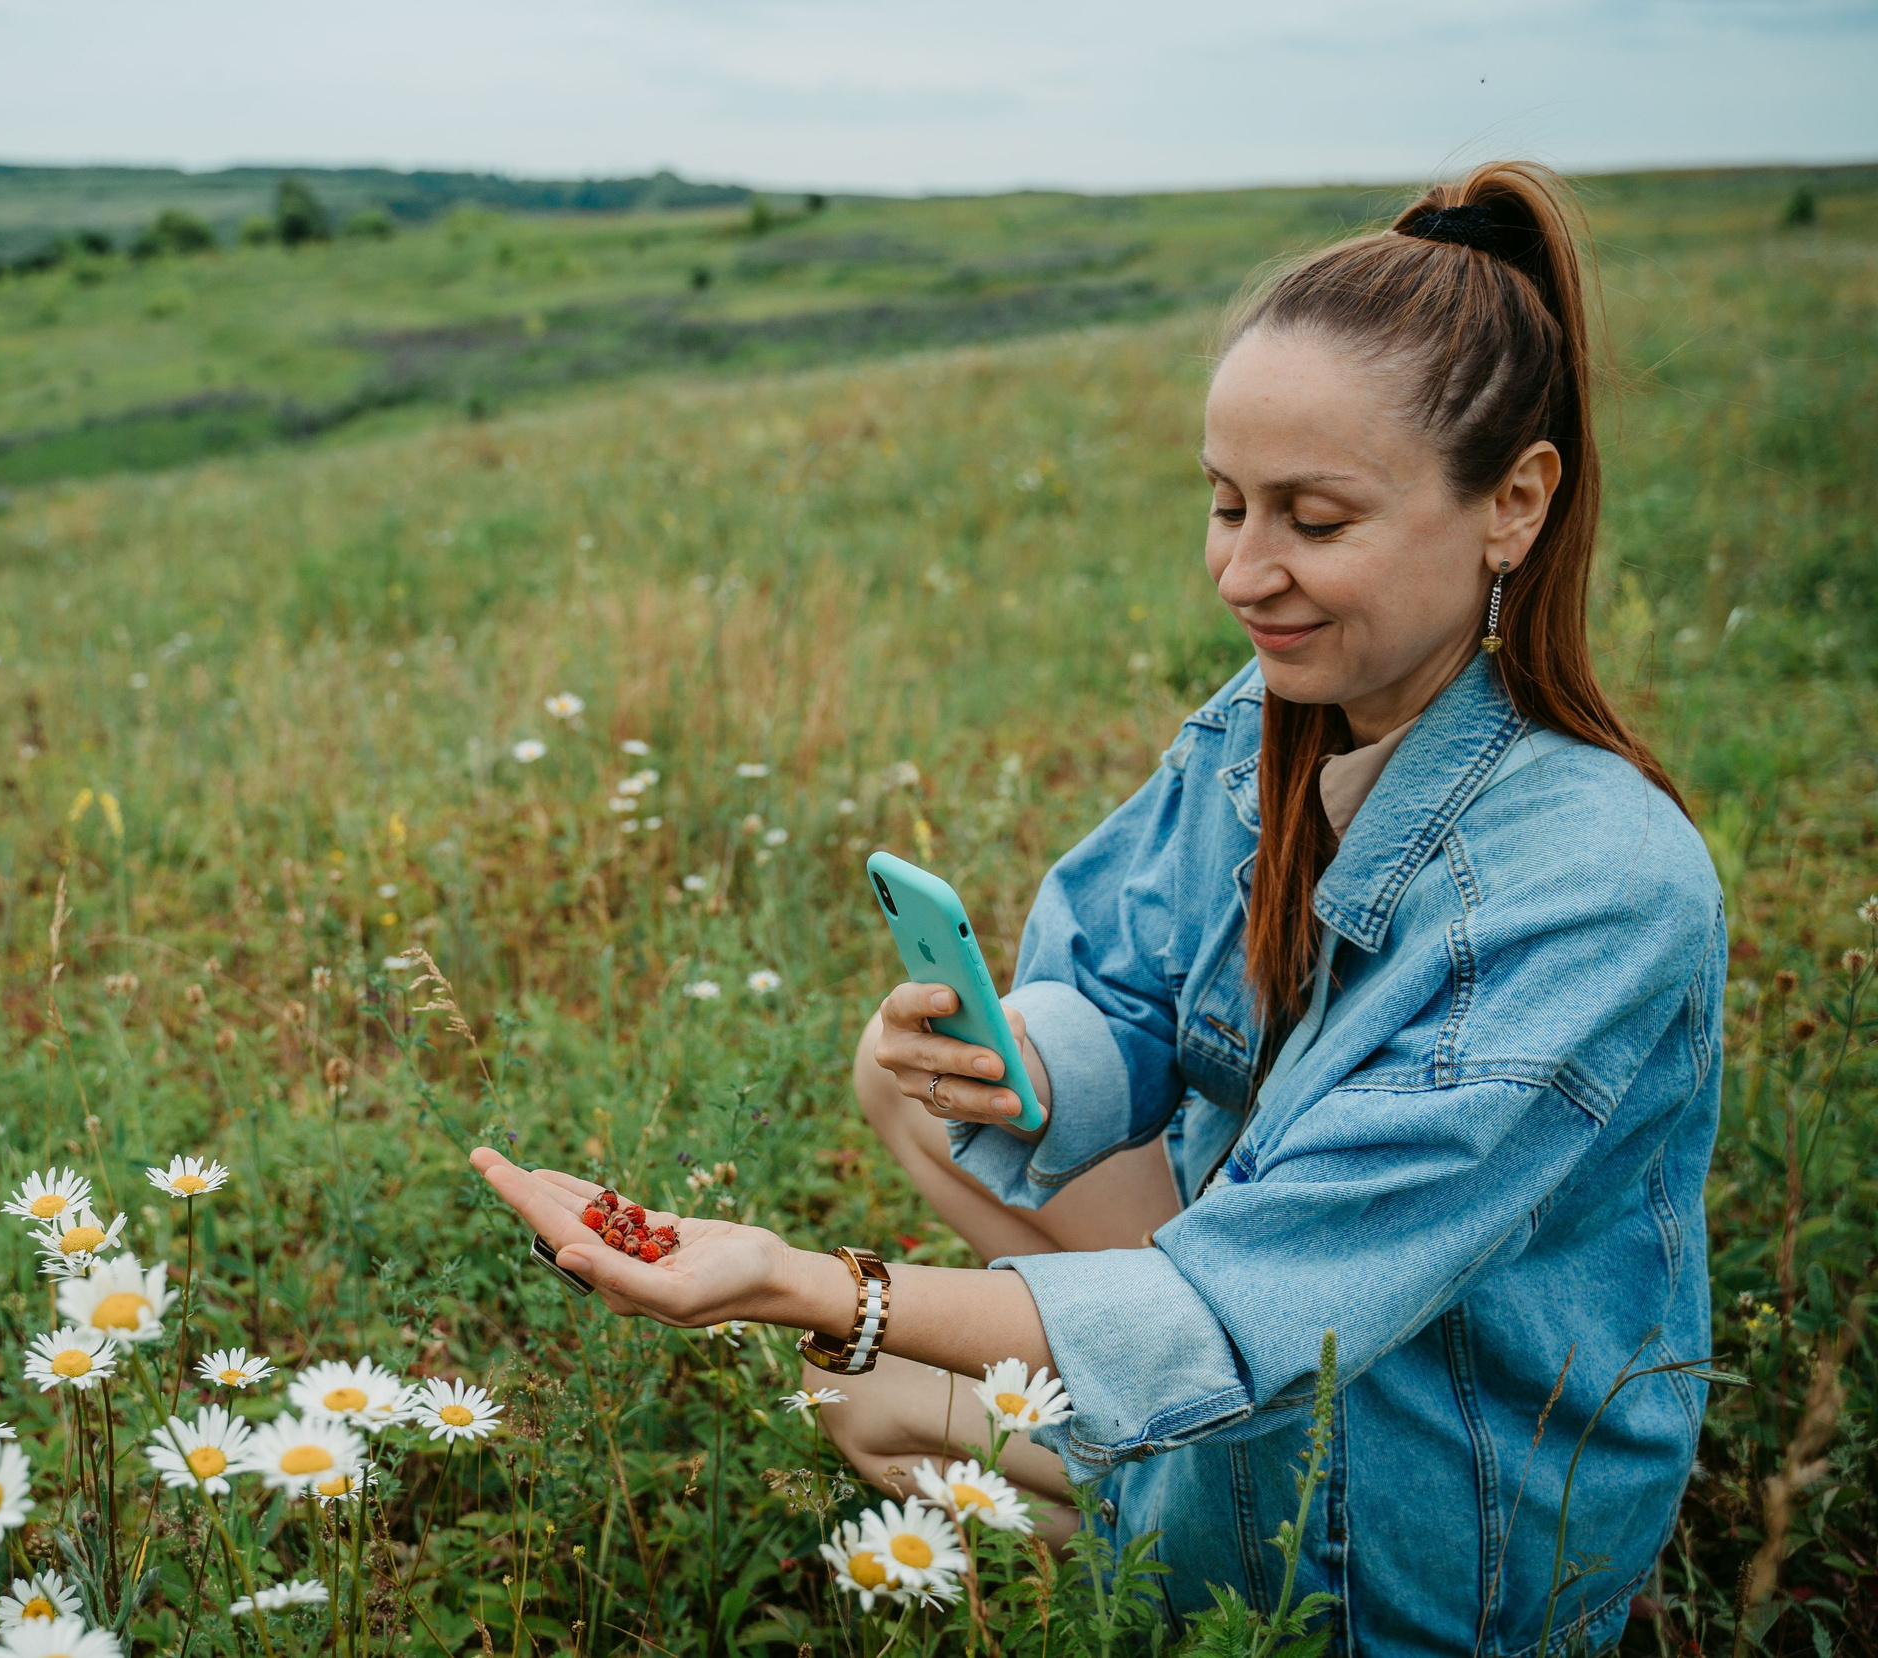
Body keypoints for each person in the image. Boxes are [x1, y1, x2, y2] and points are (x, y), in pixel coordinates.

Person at [472, 160, 1724, 1653]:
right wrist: (1027, 1063)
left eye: (1313, 520)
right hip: (1262, 1367)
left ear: (1514, 502)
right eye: (1225, 503)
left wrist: (815, 1286)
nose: (1243, 572)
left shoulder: (1595, 884)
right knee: (912, 1080)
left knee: (888, 1382)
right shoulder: (1271, 713)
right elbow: (1130, 989)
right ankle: (1081, 1442)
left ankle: (1073, 1447)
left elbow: (1262, 1311)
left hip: (1422, 1534)